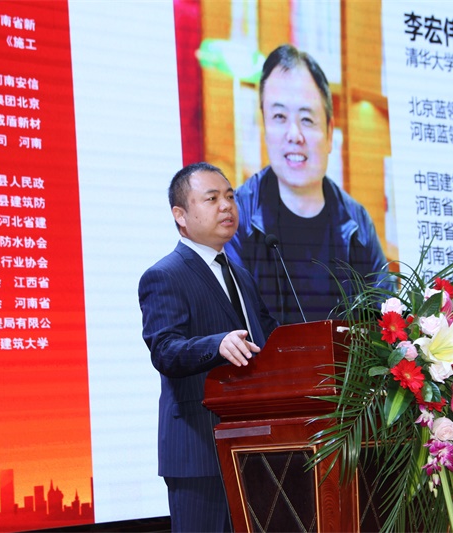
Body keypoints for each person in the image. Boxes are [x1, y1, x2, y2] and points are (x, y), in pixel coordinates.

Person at [138, 162, 278, 532]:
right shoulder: (164, 275)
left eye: (230, 197)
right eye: (212, 198)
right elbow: (165, 350)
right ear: (180, 215)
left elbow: (269, 339)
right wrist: (217, 345)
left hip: (254, 448)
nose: (227, 206)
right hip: (199, 450)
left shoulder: (240, 275)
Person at [226, 44, 388, 324]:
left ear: (329, 133)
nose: (294, 135)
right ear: (264, 127)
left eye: (306, 119)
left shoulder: (357, 223)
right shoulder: (236, 218)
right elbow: (227, 324)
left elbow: (387, 322)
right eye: (279, 117)